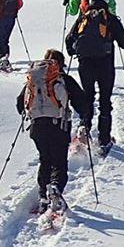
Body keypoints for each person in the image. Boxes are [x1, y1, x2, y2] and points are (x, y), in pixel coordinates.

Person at [64, 0, 124, 150]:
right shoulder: (110, 18)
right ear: (106, 1)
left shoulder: (84, 18)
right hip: (105, 66)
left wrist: (77, 50)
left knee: (87, 98)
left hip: (85, 64)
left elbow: (69, 42)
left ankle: (84, 130)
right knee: (104, 101)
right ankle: (104, 139)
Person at [15, 49, 84, 210]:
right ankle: (55, 187)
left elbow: (20, 104)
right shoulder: (64, 79)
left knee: (45, 159)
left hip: (37, 127)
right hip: (58, 125)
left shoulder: (33, 80)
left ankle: (42, 196)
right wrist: (84, 117)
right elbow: (81, 103)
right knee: (59, 160)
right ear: (61, 64)